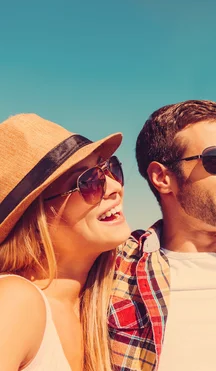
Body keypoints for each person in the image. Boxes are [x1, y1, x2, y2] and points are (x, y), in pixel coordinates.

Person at [0, 114, 130, 371]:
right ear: (36, 216)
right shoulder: (15, 301)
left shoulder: (103, 303)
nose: (115, 187)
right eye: (90, 182)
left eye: (110, 169)